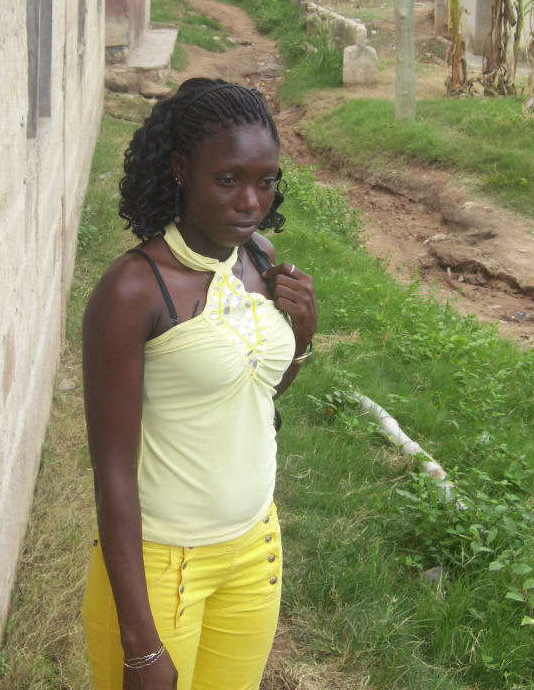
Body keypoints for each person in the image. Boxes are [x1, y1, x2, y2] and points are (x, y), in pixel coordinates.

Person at [80, 78, 318, 690]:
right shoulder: (133, 291)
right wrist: (141, 647)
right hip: (162, 567)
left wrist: (304, 336)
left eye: (266, 181)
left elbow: (253, 395)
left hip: (254, 552)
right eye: (229, 180)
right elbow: (112, 473)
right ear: (182, 170)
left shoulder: (260, 258)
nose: (251, 202)